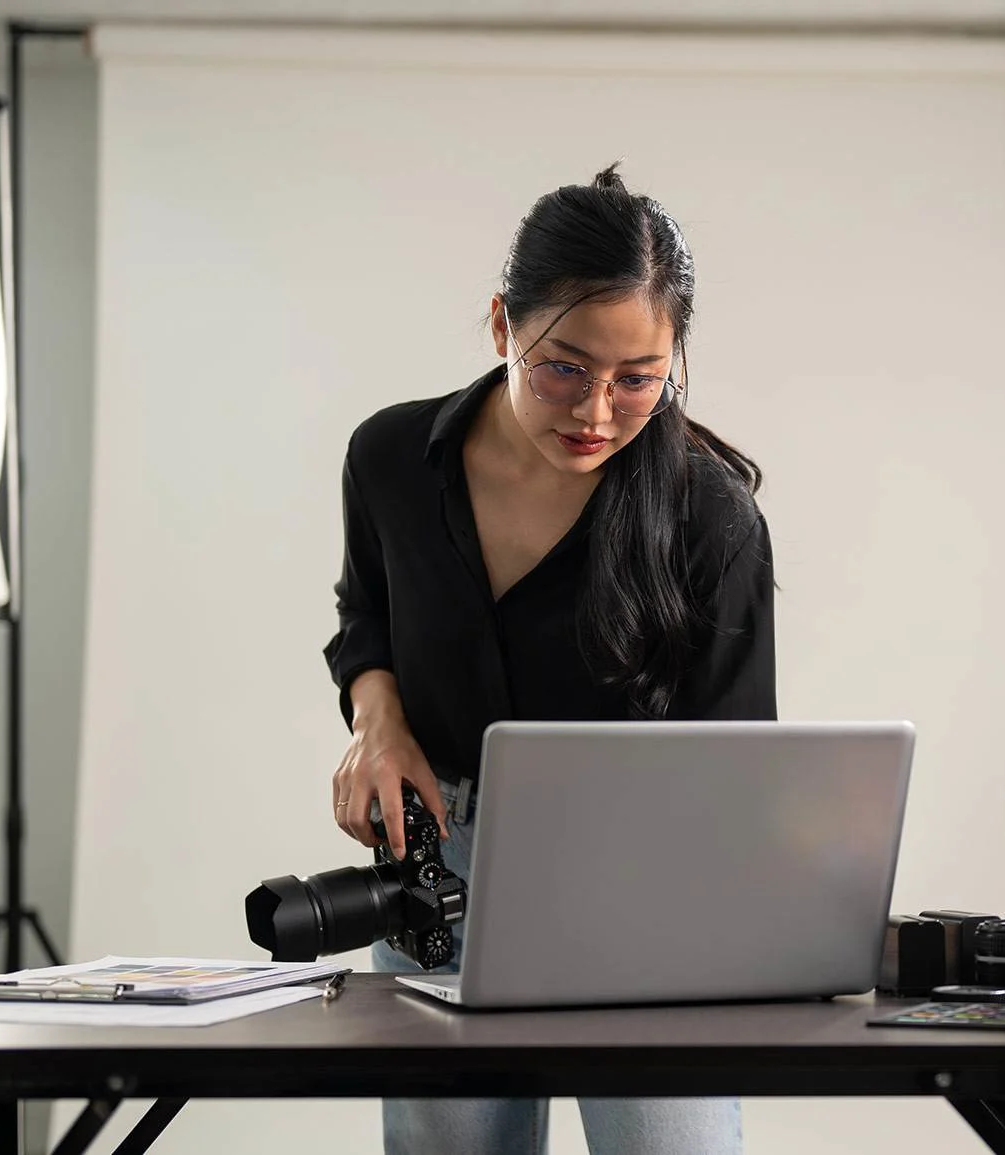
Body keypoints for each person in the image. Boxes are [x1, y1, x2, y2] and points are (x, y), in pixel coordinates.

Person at [323, 162, 776, 1155]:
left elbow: (734, 762)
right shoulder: (391, 458)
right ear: (501, 327)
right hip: (433, 866)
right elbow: (366, 619)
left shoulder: (711, 517)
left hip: (643, 887)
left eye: (639, 380)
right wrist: (377, 722)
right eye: (563, 367)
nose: (598, 413)